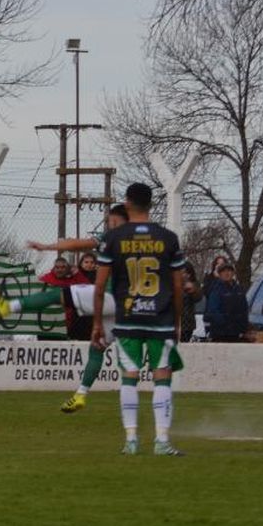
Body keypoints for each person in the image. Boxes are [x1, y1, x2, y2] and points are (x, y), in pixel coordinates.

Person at [0, 204, 129, 412]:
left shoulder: (113, 237)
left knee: (57, 294)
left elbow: (77, 244)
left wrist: (47, 247)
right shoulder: (145, 241)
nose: (110, 226)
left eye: (113, 222)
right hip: (127, 305)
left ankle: (8, 306)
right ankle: (81, 395)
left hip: (109, 296)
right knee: (98, 347)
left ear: (121, 221)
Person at [92, 182, 187, 457]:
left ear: (127, 203)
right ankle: (161, 440)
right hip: (161, 318)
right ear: (151, 204)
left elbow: (99, 287)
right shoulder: (168, 238)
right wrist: (178, 321)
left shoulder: (113, 238)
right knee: (162, 377)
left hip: (128, 317)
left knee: (129, 377)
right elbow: (179, 286)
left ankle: (131, 440)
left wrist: (98, 323)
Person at [203, 259, 249, 343]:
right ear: (220, 275)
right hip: (220, 334)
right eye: (223, 271)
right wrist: (225, 322)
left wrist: (244, 327)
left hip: (237, 333)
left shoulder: (239, 289)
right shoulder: (216, 289)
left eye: (229, 271)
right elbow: (213, 311)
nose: (227, 273)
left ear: (233, 273)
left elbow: (244, 309)